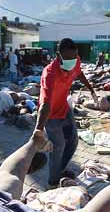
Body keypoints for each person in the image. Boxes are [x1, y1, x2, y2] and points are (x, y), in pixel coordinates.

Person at [35, 38, 99, 187]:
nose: (72, 61)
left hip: (64, 107)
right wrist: (38, 129)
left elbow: (79, 73)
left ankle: (61, 169)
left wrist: (91, 90)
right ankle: (52, 182)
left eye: (74, 57)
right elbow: (45, 104)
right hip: (50, 115)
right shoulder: (49, 74)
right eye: (68, 58)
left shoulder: (75, 61)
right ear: (58, 55)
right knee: (58, 147)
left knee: (73, 142)